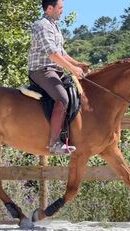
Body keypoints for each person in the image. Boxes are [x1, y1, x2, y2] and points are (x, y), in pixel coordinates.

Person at [28, 0, 88, 155]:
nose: (62, 11)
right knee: (63, 98)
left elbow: (61, 53)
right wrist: (73, 69)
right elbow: (52, 54)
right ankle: (54, 143)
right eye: (60, 8)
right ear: (49, 8)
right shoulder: (42, 25)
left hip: (55, 70)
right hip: (41, 70)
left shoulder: (54, 26)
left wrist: (77, 64)